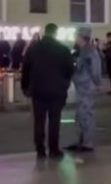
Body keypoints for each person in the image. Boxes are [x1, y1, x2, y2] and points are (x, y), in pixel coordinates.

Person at [21, 23, 74, 159]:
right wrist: (65, 84)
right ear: (56, 33)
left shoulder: (33, 49)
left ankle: (40, 149)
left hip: (38, 90)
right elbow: (70, 70)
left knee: (39, 120)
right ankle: (53, 148)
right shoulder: (63, 50)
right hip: (57, 90)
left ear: (45, 32)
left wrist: (25, 87)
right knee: (54, 120)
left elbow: (25, 69)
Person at [65, 28, 103, 153]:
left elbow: (95, 70)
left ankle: (88, 143)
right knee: (81, 114)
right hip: (82, 86)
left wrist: (97, 84)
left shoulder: (90, 51)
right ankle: (82, 141)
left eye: (77, 36)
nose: (75, 38)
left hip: (87, 87)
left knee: (86, 114)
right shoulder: (82, 51)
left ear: (81, 37)